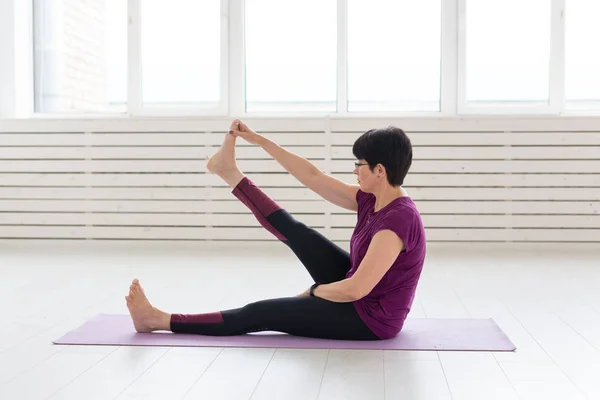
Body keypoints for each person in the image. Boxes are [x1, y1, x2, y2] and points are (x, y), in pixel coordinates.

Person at [125, 120, 426, 340]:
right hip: (359, 293)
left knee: (259, 313)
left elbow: (356, 289)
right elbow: (312, 175)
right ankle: (229, 172)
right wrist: (260, 142)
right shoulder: (371, 199)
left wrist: (313, 293)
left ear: (380, 171)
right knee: (299, 233)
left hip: (370, 318)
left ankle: (159, 320)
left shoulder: (397, 221)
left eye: (359, 164)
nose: (354, 170)